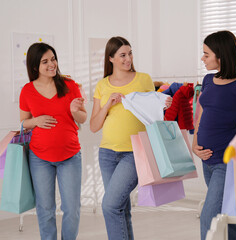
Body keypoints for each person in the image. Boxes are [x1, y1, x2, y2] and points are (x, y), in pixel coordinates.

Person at [90, 36, 171, 240]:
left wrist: (164, 104)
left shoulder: (143, 79)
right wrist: (108, 104)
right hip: (107, 154)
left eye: (130, 53)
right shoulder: (102, 85)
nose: (128, 59)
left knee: (109, 206)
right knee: (120, 209)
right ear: (111, 59)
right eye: (122, 55)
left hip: (135, 152)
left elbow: (153, 112)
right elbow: (93, 126)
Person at [192, 30, 236, 240]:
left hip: (226, 162)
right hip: (207, 160)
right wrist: (195, 142)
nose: (202, 58)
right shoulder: (208, 80)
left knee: (208, 217)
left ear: (221, 55)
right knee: (229, 212)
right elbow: (200, 114)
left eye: (206, 54)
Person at [19, 42, 87, 240]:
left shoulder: (70, 86)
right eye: (45, 61)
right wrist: (37, 120)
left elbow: (83, 118)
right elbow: (23, 123)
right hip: (39, 157)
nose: (52, 64)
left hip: (70, 155)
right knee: (45, 209)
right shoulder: (27, 91)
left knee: (72, 208)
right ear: (35, 66)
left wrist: (75, 111)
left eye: (53, 59)